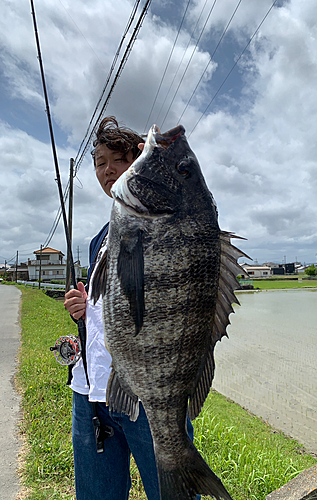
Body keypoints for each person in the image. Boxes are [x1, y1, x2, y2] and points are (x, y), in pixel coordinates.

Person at [64, 116, 196, 500]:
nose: (107, 171)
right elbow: (114, 301)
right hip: (91, 390)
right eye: (99, 162)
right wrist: (83, 307)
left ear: (136, 162)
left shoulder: (167, 215)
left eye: (116, 160)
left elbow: (192, 230)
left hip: (148, 394)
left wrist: (162, 160)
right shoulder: (100, 239)